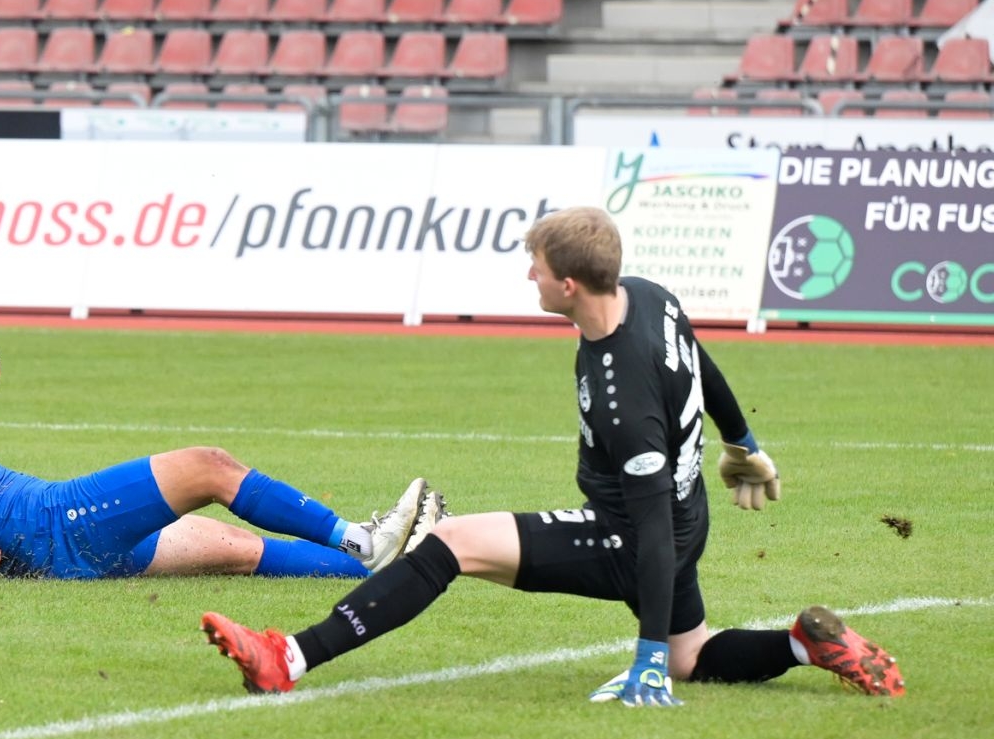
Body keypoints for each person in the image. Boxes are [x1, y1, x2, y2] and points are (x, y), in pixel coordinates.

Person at [200, 206, 904, 705]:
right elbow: (704, 364)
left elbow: (650, 531)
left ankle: (288, 657)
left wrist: (646, 659)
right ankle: (801, 646)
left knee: (450, 543)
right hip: (686, 517)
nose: (528, 276)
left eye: (535, 268)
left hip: (637, 536)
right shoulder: (650, 298)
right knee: (693, 654)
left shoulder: (622, 396)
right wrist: (741, 442)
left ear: (569, 284)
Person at [0, 308, 445, 586]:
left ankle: (398, 568)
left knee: (237, 550)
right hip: (57, 524)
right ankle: (362, 540)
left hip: (56, 544)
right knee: (209, 467)